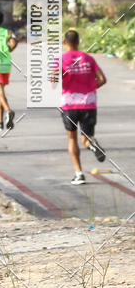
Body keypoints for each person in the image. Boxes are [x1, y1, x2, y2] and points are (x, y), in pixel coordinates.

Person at [51, 29, 107, 185]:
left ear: (64, 43)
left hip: (69, 105)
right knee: (86, 139)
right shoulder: (88, 59)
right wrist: (90, 88)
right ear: (78, 42)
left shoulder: (60, 59)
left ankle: (79, 173)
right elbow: (102, 79)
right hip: (89, 104)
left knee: (72, 138)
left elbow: (54, 83)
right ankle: (93, 145)